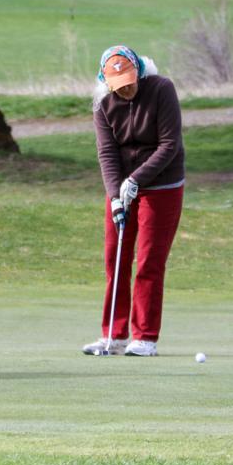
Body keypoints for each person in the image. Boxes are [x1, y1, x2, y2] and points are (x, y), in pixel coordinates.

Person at [82, 45, 185, 357]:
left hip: (162, 186)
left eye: (129, 82)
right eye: (118, 86)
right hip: (122, 188)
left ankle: (145, 337)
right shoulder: (103, 103)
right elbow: (107, 152)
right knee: (115, 260)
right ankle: (113, 335)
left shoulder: (161, 89)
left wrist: (136, 179)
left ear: (138, 72)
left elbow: (169, 145)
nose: (125, 90)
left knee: (149, 261)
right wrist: (116, 196)